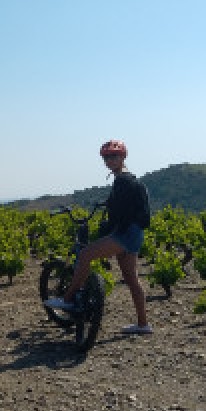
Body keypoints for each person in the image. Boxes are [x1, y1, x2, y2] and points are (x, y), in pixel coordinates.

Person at [43, 140, 152, 334]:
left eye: (113, 156)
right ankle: (143, 325)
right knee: (131, 278)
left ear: (122, 157)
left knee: (85, 254)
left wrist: (105, 232)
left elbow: (117, 214)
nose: (109, 160)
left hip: (124, 234)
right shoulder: (130, 179)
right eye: (106, 157)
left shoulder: (122, 181)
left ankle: (67, 299)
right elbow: (122, 205)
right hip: (136, 234)